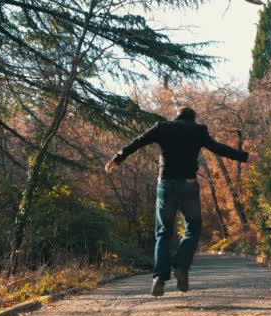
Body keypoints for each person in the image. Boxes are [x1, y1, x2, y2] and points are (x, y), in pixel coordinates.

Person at [105, 107, 249, 296]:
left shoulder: (162, 127)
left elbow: (137, 142)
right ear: (193, 118)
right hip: (188, 185)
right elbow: (218, 148)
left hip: (165, 185)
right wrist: (244, 156)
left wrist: (117, 158)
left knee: (163, 233)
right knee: (193, 227)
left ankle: (159, 278)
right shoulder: (198, 130)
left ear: (177, 117)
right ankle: (181, 266)